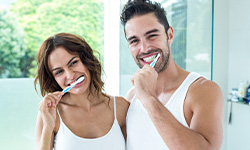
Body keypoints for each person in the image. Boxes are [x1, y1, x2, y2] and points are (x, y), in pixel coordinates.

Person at [120, 0, 223, 150]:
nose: (144, 48)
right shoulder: (132, 96)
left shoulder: (203, 91)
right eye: (134, 41)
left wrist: (148, 98)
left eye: (152, 36)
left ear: (170, 35)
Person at [34, 33, 129, 150]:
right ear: (53, 79)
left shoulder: (120, 107)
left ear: (87, 60)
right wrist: (48, 127)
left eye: (73, 63)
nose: (70, 75)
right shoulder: (51, 114)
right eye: (59, 72)